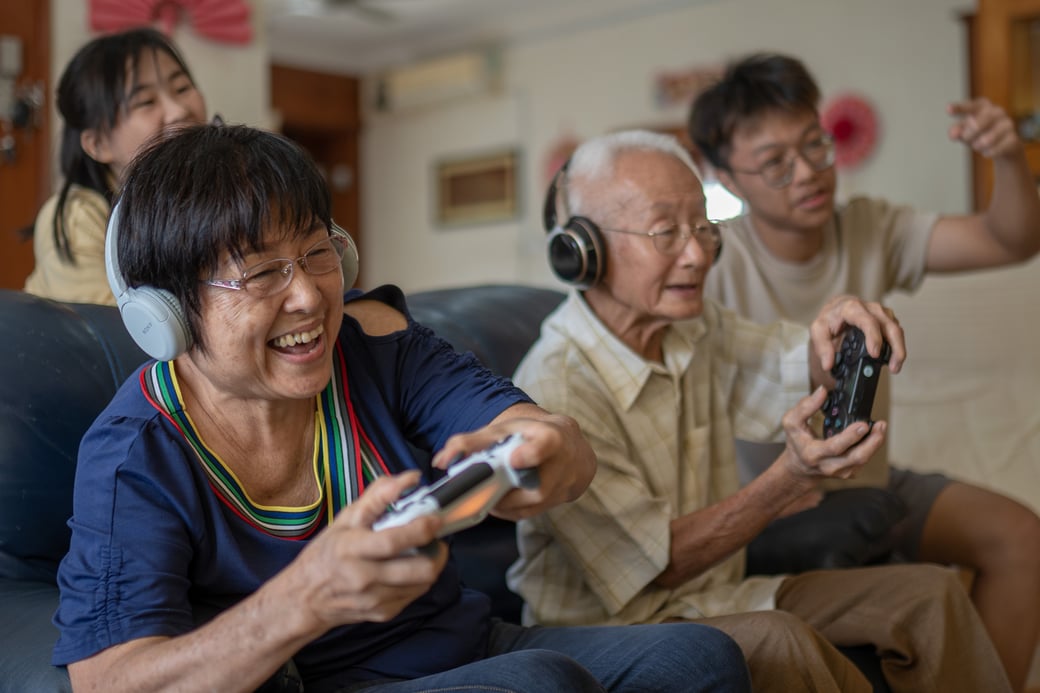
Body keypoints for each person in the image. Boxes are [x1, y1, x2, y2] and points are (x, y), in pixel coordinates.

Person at [51, 123, 751, 693]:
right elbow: (111, 680)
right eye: (262, 271)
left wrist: (538, 457)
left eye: (317, 252)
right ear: (163, 313)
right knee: (538, 684)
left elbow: (554, 441)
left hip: (475, 644)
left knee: (703, 658)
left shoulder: (378, 351)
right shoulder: (135, 450)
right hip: (333, 681)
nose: (309, 296)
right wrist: (306, 598)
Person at [507, 128, 1013, 692]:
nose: (699, 255)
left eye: (703, 226)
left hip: (714, 592)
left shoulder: (694, 328)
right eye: (665, 232)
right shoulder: (556, 390)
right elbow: (656, 566)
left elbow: (795, 365)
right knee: (781, 642)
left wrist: (838, 326)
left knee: (931, 595)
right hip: (612, 629)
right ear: (583, 251)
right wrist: (787, 478)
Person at [688, 51, 1040, 692]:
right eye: (774, 162)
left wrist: (1009, 156)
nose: (807, 173)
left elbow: (1011, 239)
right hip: (767, 497)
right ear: (725, 178)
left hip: (871, 478)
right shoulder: (709, 263)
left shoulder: (871, 228)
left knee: (1021, 538)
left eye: (815, 145)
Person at [23, 27, 207, 306]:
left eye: (181, 88)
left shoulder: (215, 194)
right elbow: (110, 335)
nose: (179, 111)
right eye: (146, 101)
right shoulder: (78, 218)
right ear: (98, 144)